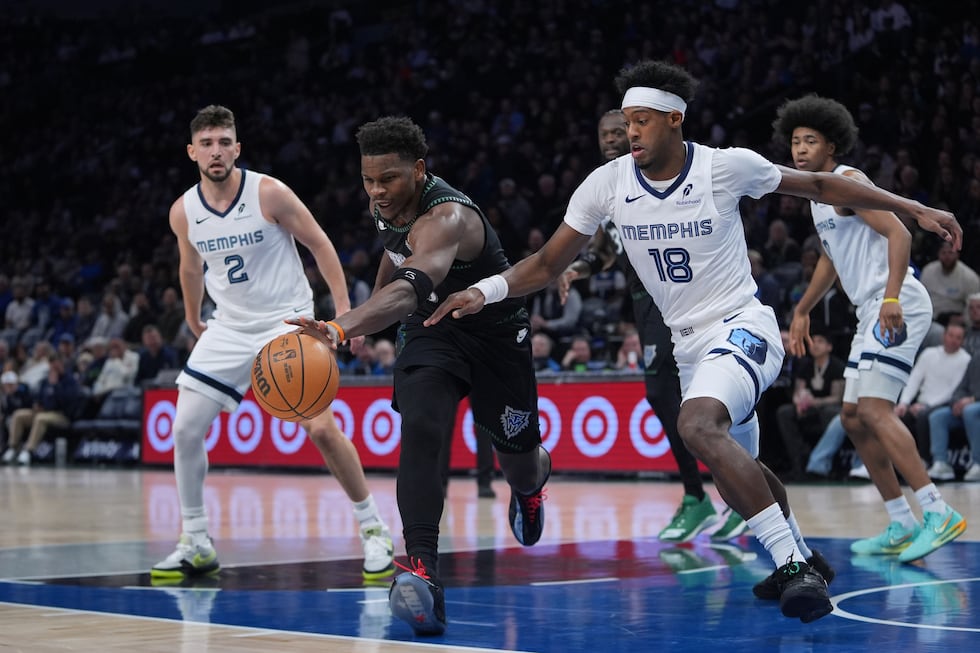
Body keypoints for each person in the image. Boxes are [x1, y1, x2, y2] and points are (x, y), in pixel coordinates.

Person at [427, 61, 961, 623]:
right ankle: (805, 555)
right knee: (739, 476)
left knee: (696, 427)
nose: (630, 133)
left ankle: (792, 568)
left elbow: (825, 185)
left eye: (641, 122)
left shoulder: (725, 168)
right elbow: (545, 263)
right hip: (688, 346)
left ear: (674, 121)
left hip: (742, 326)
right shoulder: (606, 184)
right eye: (626, 122)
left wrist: (915, 208)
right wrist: (483, 291)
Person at [290, 116, 550, 636]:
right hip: (432, 330)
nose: (377, 191)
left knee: (518, 460)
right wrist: (368, 316)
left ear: (419, 170)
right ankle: (423, 569)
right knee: (423, 426)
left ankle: (531, 484)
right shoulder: (383, 205)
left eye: (388, 179)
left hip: (495, 337)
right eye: (368, 180)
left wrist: (340, 328)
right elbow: (396, 262)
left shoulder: (447, 216)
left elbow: (411, 285)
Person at [151, 105, 393, 584]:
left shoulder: (269, 191)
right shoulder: (183, 211)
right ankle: (196, 542)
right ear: (192, 152)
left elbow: (321, 244)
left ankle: (374, 530)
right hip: (230, 327)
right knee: (184, 429)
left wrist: (344, 316)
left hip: (288, 322)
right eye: (207, 143)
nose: (216, 151)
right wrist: (192, 315)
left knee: (322, 430)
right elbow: (188, 266)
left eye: (224, 142)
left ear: (237, 148)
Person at [772, 94, 967, 563]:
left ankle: (938, 512)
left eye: (810, 141)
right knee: (853, 418)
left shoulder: (845, 181)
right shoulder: (818, 196)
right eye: (795, 142)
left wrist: (893, 297)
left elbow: (899, 232)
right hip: (870, 310)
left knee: (877, 411)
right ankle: (901, 522)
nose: (800, 150)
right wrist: (802, 309)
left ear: (832, 146)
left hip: (895, 303)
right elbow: (829, 261)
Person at [557, 109, 744, 543]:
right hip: (646, 309)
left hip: (681, 302)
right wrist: (577, 270)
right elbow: (606, 251)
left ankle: (730, 496)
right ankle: (701, 497)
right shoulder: (609, 189)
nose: (609, 140)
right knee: (667, 401)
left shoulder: (662, 180)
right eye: (602, 133)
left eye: (618, 132)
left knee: (698, 401)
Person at [895, 323, 971, 477]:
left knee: (925, 416)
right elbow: (914, 379)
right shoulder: (928, 354)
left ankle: (925, 460)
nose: (953, 340)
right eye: (950, 335)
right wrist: (904, 403)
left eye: (958, 338)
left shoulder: (965, 359)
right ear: (944, 335)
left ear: (962, 341)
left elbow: (953, 390)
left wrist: (926, 406)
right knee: (901, 416)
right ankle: (898, 462)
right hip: (922, 402)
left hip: (945, 403)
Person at [775, 331, 846, 480]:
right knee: (785, 412)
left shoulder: (836, 366)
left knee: (831, 413)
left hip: (826, 406)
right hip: (808, 407)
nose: (815, 345)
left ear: (829, 347)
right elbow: (798, 390)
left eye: (820, 341)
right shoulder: (806, 365)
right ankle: (799, 459)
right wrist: (798, 402)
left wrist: (816, 402)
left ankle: (828, 463)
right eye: (813, 341)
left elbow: (837, 398)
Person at [1, 354, 81, 465]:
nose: (54, 366)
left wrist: (55, 385)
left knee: (40, 418)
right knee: (19, 415)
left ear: (61, 364)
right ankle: (13, 448)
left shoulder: (70, 380)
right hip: (44, 412)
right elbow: (39, 396)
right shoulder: (45, 380)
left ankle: (29, 451)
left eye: (56, 363)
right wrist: (37, 404)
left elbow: (68, 402)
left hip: (62, 416)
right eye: (51, 363)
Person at [926, 348, 980, 481]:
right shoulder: (976, 357)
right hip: (970, 406)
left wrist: (973, 399)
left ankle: (978, 463)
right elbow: (962, 387)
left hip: (974, 405)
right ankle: (941, 463)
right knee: (938, 416)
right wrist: (957, 402)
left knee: (970, 411)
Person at [918, 241, 980, 325]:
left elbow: (976, 307)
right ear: (938, 254)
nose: (947, 256)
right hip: (930, 318)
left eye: (950, 252)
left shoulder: (970, 277)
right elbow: (920, 299)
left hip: (957, 321)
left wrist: (964, 319)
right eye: (943, 253)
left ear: (957, 255)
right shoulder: (928, 271)